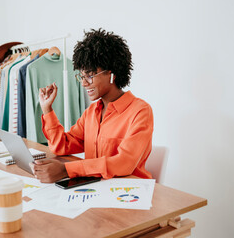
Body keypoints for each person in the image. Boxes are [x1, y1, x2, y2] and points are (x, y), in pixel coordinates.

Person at [31, 28, 154, 183]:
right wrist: (47, 109)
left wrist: (66, 170)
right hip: (96, 189)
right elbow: (60, 146)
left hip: (129, 193)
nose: (83, 83)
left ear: (111, 74)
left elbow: (124, 163)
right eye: (81, 76)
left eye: (89, 75)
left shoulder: (140, 111)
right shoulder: (91, 112)